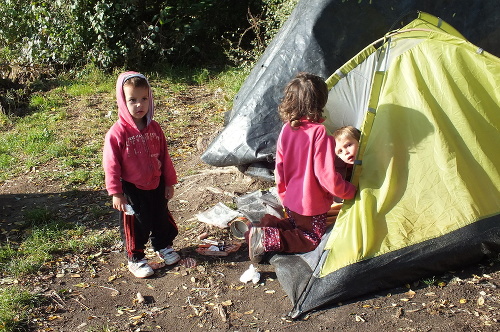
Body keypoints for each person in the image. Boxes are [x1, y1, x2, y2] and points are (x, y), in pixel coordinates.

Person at [247, 72, 357, 263]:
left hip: (290, 198)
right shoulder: (319, 132)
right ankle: (265, 238)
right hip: (311, 204)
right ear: (320, 102)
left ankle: (264, 225)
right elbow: (326, 177)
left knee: (294, 224)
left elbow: (279, 167)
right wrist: (350, 191)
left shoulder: (288, 129)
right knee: (310, 238)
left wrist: (283, 194)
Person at [103, 71, 180, 278]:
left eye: (144, 99)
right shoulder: (117, 133)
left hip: (156, 182)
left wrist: (169, 182)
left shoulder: (155, 128)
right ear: (122, 101)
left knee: (160, 216)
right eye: (133, 100)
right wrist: (116, 193)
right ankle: (135, 258)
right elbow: (111, 165)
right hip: (132, 187)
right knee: (137, 222)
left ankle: (163, 246)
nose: (139, 105)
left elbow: (164, 157)